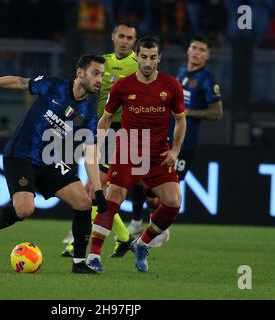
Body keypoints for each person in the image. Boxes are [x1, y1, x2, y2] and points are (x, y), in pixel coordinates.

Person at [0, 54, 108, 274]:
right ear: (80, 73)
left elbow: (90, 152)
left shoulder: (87, 113)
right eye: (95, 73)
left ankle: (79, 263)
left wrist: (98, 190)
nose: (100, 80)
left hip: (49, 160)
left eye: (102, 75)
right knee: (24, 209)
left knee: (84, 203)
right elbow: (20, 82)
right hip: (20, 155)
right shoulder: (53, 86)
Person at [87, 37, 186, 273]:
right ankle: (93, 256)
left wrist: (175, 150)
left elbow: (181, 121)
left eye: (153, 57)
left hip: (157, 153)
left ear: (159, 58)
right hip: (128, 148)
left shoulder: (171, 86)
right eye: (144, 57)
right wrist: (99, 146)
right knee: (113, 198)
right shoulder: (122, 86)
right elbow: (105, 119)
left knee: (173, 203)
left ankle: (141, 244)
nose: (148, 62)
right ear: (137, 57)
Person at [61, 21, 140, 259]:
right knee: (97, 190)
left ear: (134, 42)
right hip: (97, 129)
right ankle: (125, 238)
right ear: (113, 37)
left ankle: (80, 241)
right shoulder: (101, 64)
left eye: (130, 38)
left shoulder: (138, 66)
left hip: (120, 132)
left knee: (92, 189)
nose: (125, 41)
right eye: (122, 36)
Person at [146, 35, 223, 247]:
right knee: (150, 190)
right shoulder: (181, 73)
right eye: (194, 47)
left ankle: (160, 232)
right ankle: (158, 227)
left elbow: (217, 112)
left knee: (168, 190)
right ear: (188, 50)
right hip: (166, 140)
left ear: (207, 56)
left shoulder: (207, 78)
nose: (197, 52)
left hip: (185, 145)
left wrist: (189, 112)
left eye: (202, 49)